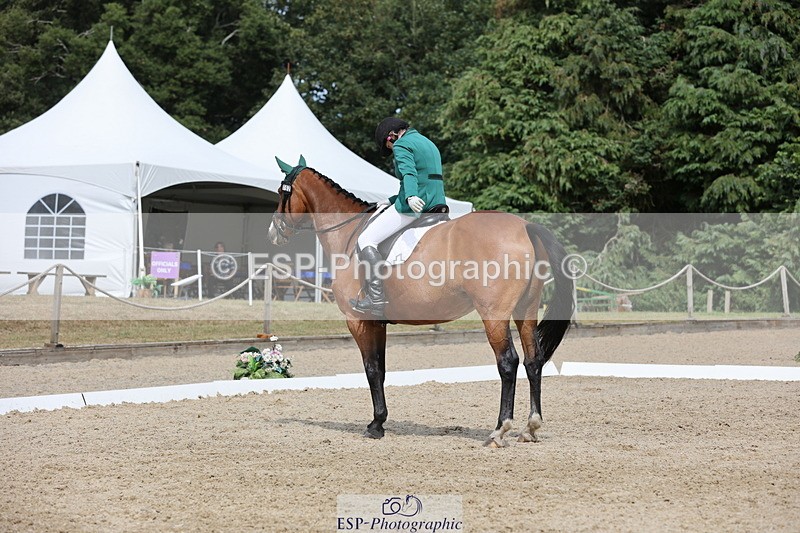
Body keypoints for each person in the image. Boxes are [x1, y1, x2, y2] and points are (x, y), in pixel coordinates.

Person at [350, 117, 446, 317]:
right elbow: (426, 178)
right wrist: (392, 200)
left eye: (388, 145)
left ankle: (375, 299)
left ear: (391, 136)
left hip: (416, 204)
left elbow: (409, 175)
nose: (391, 148)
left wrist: (410, 196)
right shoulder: (427, 142)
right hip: (437, 202)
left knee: (365, 239)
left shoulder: (402, 144)